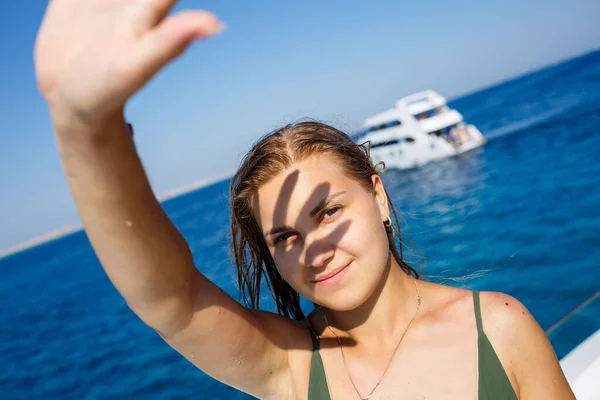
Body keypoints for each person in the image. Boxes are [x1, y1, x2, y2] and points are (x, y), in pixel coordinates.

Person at [34, 1, 575, 399]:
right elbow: (170, 299)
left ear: (378, 196)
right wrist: (86, 131)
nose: (314, 249)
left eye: (329, 212)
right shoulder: (290, 367)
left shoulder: (498, 328)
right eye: (285, 237)